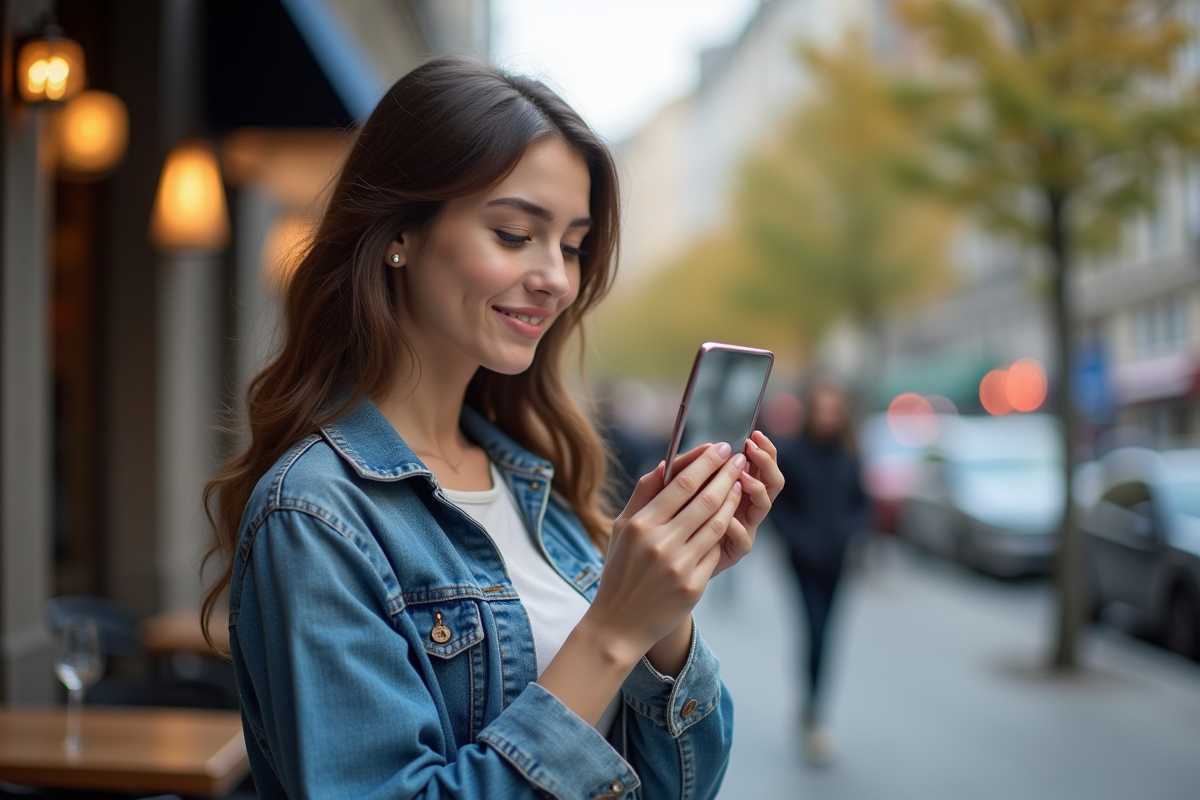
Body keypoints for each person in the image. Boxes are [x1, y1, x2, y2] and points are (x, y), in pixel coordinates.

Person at [199, 55, 784, 800]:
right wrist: (609, 631)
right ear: (398, 236)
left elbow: (680, 786)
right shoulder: (315, 514)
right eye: (515, 234)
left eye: (572, 245)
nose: (558, 277)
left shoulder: (533, 480)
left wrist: (663, 613)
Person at [771, 380, 868, 767]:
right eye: (823, 408)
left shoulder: (849, 455)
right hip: (804, 563)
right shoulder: (793, 455)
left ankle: (814, 709)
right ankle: (812, 713)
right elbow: (780, 508)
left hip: (838, 561)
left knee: (828, 635)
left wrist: (850, 532)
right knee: (812, 631)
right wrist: (801, 541)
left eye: (835, 409)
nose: (829, 416)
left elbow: (861, 504)